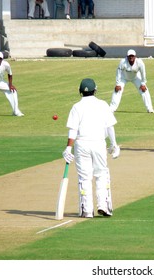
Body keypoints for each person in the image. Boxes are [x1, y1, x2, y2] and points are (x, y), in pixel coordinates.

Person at [62, 78, 118, 218]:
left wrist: (69, 148)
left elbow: (73, 130)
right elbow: (109, 126)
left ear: (80, 91)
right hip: (98, 143)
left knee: (84, 177)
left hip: (81, 145)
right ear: (96, 90)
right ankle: (104, 206)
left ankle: (86, 210)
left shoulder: (76, 107)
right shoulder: (103, 104)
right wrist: (114, 144)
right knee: (101, 174)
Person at [110, 49, 154, 113]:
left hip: (136, 77)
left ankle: (149, 108)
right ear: (127, 56)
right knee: (117, 90)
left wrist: (143, 84)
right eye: (129, 56)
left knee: (144, 90)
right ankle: (112, 108)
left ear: (135, 56)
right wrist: (117, 84)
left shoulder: (140, 63)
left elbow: (143, 74)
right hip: (123, 78)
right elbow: (118, 72)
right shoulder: (122, 62)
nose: (131, 57)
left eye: (132, 56)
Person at [0, 51, 24, 117]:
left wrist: (10, 85)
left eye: (0, 59)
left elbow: (10, 74)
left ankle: (16, 111)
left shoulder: (6, 64)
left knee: (13, 91)